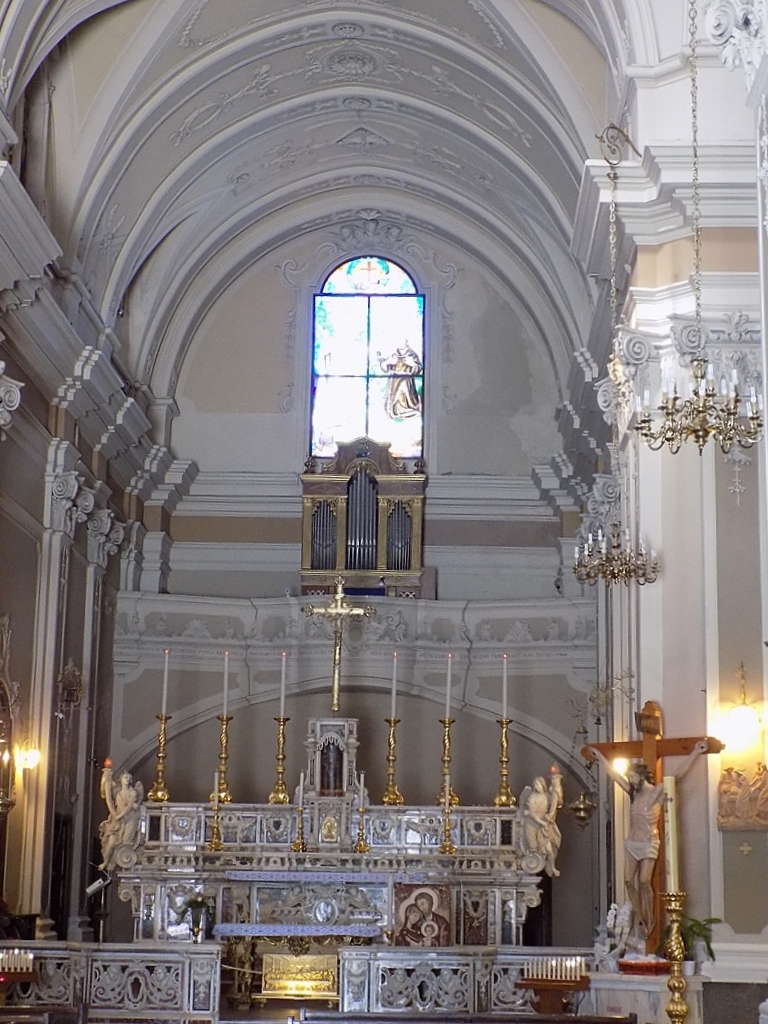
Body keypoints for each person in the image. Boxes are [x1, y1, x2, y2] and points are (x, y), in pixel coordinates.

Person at [588, 739, 709, 937]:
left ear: (641, 775)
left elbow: (677, 775)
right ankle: (640, 915)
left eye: (633, 776)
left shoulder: (657, 792)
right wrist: (601, 757)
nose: (630, 780)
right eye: (630, 777)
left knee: (644, 881)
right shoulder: (633, 794)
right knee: (628, 881)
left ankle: (650, 916)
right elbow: (614, 775)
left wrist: (695, 752)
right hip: (632, 842)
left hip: (649, 842)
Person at [98, 764, 144, 871]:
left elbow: (128, 807)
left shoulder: (132, 792)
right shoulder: (116, 791)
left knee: (125, 843)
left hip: (129, 819)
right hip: (117, 822)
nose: (127, 779)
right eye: (125, 777)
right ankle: (106, 862)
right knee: (111, 843)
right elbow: (106, 794)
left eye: (128, 777)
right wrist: (106, 777)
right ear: (121, 779)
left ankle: (122, 864)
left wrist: (118, 816)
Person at [521, 770, 563, 877]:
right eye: (535, 785)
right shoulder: (531, 797)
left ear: (543, 785)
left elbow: (557, 803)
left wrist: (556, 789)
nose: (536, 786)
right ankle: (534, 867)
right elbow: (532, 814)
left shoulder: (548, 796)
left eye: (538, 784)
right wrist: (542, 823)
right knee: (533, 849)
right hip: (532, 825)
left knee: (549, 849)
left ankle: (552, 867)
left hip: (544, 826)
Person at [378, 343, 422, 419]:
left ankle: (407, 408)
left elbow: (418, 369)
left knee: (403, 384)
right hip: (394, 382)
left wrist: (412, 364)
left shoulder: (412, 354)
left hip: (407, 382)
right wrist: (387, 362)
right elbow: (384, 368)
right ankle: (394, 409)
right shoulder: (393, 354)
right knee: (394, 400)